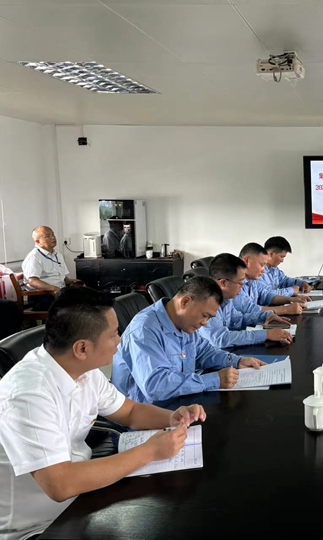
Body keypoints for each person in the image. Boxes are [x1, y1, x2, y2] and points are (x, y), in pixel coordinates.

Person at [0, 287, 206, 540]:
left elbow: (130, 412)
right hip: (38, 527)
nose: (119, 340)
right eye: (113, 334)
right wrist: (150, 451)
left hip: (82, 498)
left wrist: (171, 416)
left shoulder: (83, 371)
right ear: (82, 348)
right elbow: (60, 484)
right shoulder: (28, 394)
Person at [112, 276, 265, 403]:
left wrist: (237, 361)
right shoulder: (144, 330)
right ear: (185, 302)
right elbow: (156, 386)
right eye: (204, 316)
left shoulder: (184, 323)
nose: (205, 323)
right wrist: (214, 380)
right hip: (146, 414)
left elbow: (205, 352)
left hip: (181, 402)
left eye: (209, 318)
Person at [198, 253, 293, 348]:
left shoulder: (226, 299)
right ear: (223, 283)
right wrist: (266, 335)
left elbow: (238, 320)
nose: (243, 287)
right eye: (240, 283)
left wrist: (264, 316)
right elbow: (222, 339)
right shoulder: (207, 303)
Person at [233, 243, 307, 318]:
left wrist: (291, 300)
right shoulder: (234, 282)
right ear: (247, 261)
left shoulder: (252, 280)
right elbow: (250, 309)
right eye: (262, 265)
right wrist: (285, 309)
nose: (264, 271)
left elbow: (266, 295)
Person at [22, 226, 81, 310]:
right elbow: (33, 281)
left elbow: (61, 275)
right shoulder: (34, 257)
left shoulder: (57, 255)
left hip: (59, 291)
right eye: (48, 236)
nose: (53, 237)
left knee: (86, 295)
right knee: (75, 305)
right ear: (38, 241)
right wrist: (53, 288)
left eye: (53, 234)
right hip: (42, 295)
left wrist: (70, 281)